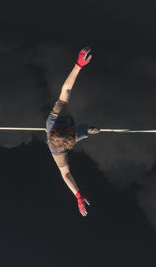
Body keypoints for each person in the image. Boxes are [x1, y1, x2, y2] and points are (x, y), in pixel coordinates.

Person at [46, 47, 100, 216]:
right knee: (84, 132)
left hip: (63, 122)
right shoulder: (57, 150)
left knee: (82, 131)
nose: (72, 139)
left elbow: (66, 89)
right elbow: (66, 173)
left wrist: (78, 65)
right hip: (68, 135)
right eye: (71, 141)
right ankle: (85, 130)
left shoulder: (57, 116)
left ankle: (83, 130)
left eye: (71, 136)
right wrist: (77, 195)